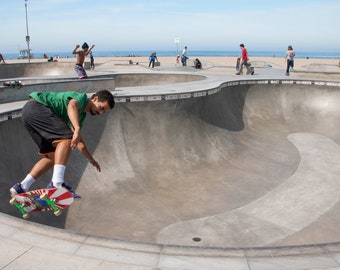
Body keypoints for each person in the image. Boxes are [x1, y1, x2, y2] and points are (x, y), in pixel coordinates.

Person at [10, 90, 115, 198]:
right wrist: (77, 128)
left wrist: (91, 159)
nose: (100, 113)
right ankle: (56, 183)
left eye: (104, 112)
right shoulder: (81, 98)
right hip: (38, 108)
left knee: (53, 157)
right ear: (95, 99)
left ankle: (22, 187)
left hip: (29, 115)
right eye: (101, 108)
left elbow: (77, 140)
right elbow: (72, 106)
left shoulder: (80, 116)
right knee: (66, 138)